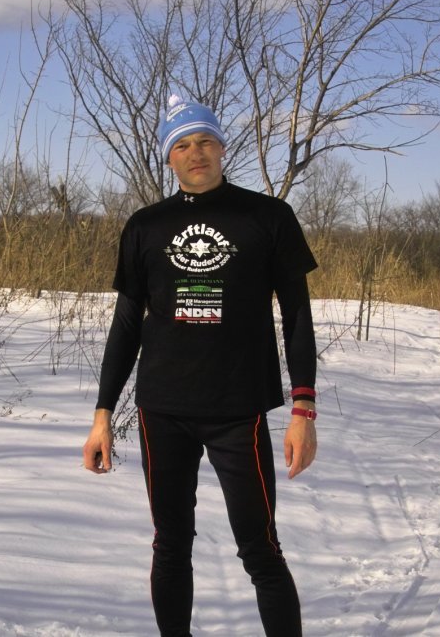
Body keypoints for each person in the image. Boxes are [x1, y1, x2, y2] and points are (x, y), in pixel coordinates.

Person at [82, 96, 319, 637]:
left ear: (222, 148)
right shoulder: (146, 226)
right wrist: (102, 415)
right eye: (183, 145)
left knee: (260, 549)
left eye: (206, 141)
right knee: (169, 546)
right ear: (169, 157)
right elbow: (126, 324)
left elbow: (298, 316)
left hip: (239, 410)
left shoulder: (268, 218)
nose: (196, 153)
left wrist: (303, 409)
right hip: (162, 410)